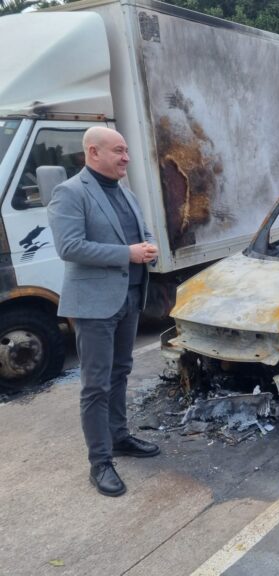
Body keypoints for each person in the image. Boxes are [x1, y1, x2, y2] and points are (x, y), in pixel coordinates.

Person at [48, 127, 160, 497]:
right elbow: (70, 246)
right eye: (118, 151)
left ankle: (120, 437)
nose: (126, 157)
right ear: (93, 153)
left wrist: (147, 247)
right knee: (95, 385)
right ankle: (100, 462)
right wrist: (127, 253)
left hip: (129, 299)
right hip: (95, 305)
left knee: (121, 372)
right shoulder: (70, 192)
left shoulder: (125, 192)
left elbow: (139, 233)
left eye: (126, 150)